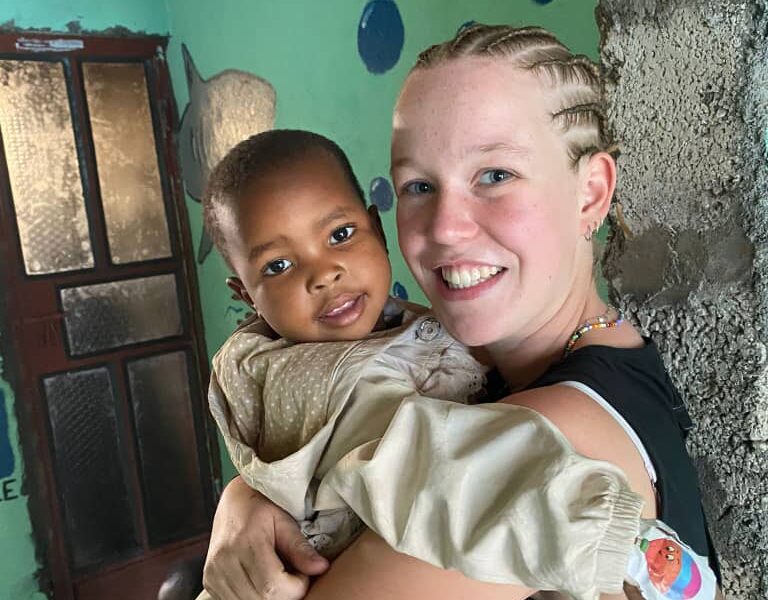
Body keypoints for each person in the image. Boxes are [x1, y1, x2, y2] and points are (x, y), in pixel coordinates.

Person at [200, 24, 720, 600]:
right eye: (418, 186)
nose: (444, 229)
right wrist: (248, 496)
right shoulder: (563, 364)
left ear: (591, 193)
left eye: (495, 175)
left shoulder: (538, 454)